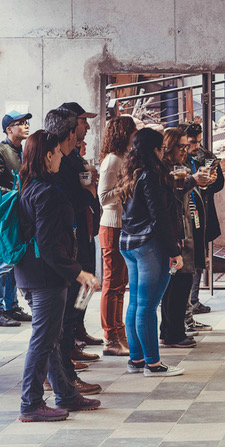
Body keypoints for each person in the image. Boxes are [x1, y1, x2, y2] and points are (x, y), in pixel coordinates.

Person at [14, 129, 102, 422]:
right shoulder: (46, 193)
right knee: (43, 341)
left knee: (49, 338)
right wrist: (79, 273)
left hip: (31, 274)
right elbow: (50, 246)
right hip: (46, 278)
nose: (63, 157)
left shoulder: (28, 186)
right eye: (59, 152)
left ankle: (64, 392)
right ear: (48, 155)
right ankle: (31, 403)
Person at [41, 109, 102, 396]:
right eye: (82, 122)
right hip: (63, 253)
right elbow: (67, 205)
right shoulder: (52, 172)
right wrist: (89, 190)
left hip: (75, 244)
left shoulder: (65, 162)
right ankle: (61, 379)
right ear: (69, 132)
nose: (87, 127)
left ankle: (62, 372)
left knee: (64, 318)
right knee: (56, 322)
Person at [119, 127, 184, 377]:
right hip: (150, 245)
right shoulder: (153, 174)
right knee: (148, 305)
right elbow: (160, 217)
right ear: (157, 150)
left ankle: (136, 360)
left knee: (136, 303)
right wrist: (173, 250)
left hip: (129, 244)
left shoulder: (131, 173)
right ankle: (153, 364)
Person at [158, 127, 218, 348]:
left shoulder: (179, 165)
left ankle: (173, 330)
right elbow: (171, 194)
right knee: (176, 283)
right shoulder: (163, 169)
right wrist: (192, 180)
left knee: (182, 282)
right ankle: (172, 332)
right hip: (176, 232)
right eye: (181, 146)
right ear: (168, 147)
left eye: (186, 146)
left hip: (187, 227)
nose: (185, 151)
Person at [0, 110, 33, 327]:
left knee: (12, 259)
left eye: (26, 122)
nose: (26, 126)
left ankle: (12, 307)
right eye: (20, 123)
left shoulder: (22, 151)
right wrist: (12, 193)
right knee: (2, 262)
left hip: (17, 212)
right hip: (4, 215)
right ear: (9, 129)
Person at [97, 114, 137, 356]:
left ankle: (119, 332)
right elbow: (103, 198)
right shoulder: (112, 160)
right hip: (112, 225)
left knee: (120, 284)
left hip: (122, 224)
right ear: (124, 134)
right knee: (112, 283)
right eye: (133, 132)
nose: (135, 137)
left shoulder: (122, 158)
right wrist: (128, 186)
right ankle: (111, 336)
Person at [182, 122, 223, 328]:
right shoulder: (176, 159)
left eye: (199, 141)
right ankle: (185, 311)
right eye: (192, 142)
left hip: (202, 213)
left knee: (198, 259)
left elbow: (219, 182)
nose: (196, 146)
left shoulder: (203, 155)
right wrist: (195, 181)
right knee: (187, 264)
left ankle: (193, 303)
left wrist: (212, 180)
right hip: (185, 217)